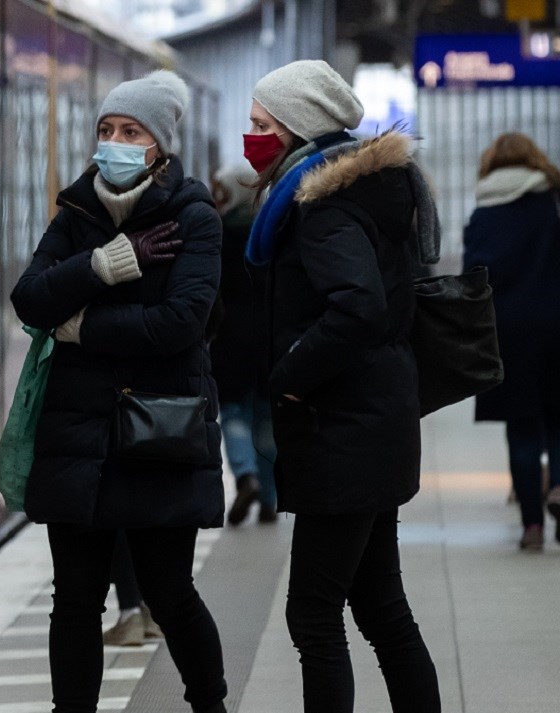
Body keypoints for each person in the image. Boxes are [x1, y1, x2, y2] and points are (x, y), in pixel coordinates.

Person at [11, 70, 227, 713]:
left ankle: (210, 704)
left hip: (159, 429)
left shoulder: (194, 215)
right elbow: (28, 297)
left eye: (130, 131)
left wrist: (80, 326)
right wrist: (105, 264)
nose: (115, 141)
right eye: (106, 129)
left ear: (158, 144)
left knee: (169, 590)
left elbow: (181, 323)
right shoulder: (77, 211)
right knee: (74, 598)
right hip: (78, 434)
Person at [242, 60, 441, 712]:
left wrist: (289, 374)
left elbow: (357, 307)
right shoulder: (365, 194)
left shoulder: (324, 209)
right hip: (372, 422)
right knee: (381, 604)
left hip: (345, 430)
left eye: (261, 124)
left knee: (315, 614)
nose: (252, 137)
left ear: (297, 128)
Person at [462, 133, 560, 551]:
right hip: (557, 324)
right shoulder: (552, 203)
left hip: (508, 332)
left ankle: (532, 528)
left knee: (521, 428)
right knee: (559, 421)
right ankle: (558, 486)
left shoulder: (485, 211)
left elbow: (474, 276)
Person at [209, 163, 278, 525]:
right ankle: (269, 498)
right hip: (269, 339)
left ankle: (246, 475)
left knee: (235, 413)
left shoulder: (215, 234)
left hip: (229, 339)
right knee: (266, 420)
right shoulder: (272, 231)